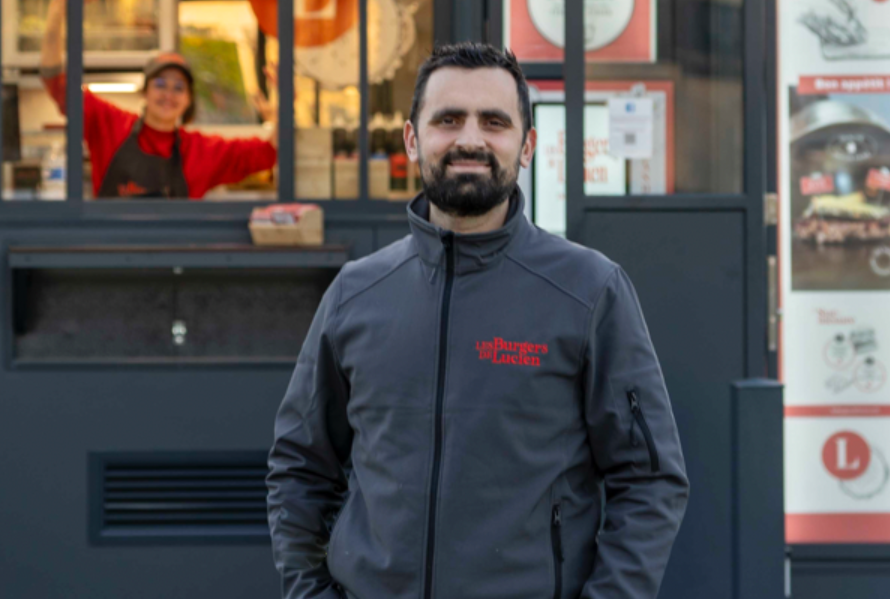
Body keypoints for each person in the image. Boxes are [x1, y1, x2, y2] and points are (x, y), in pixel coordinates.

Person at [266, 42, 688, 599]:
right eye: (448, 120)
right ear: (413, 140)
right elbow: (300, 467)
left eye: (494, 122)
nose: (470, 139)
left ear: (528, 144)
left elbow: (650, 480)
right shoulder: (356, 293)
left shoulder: (588, 290)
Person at [40, 0, 276, 199]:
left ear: (189, 100)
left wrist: (282, 112)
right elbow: (57, 83)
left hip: (173, 249)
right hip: (111, 248)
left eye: (179, 87)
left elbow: (268, 153)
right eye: (161, 84)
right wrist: (56, 14)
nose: (168, 94)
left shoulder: (200, 151)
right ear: (145, 92)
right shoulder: (111, 125)